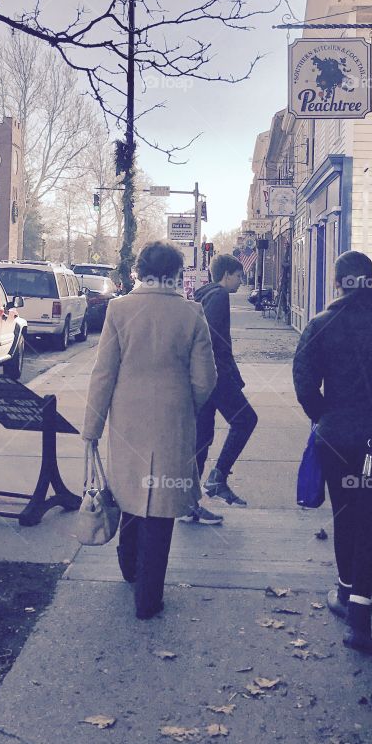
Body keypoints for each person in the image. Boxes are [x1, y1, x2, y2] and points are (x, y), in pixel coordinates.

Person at [292, 250, 372, 655]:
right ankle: (361, 617)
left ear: (337, 282)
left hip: (336, 439)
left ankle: (345, 592)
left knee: (344, 513)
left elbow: (303, 380)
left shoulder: (321, 324)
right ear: (370, 280)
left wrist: (323, 416)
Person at [81, 241, 217, 619]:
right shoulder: (191, 314)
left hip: (127, 418)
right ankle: (149, 596)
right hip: (173, 419)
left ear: (139, 271)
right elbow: (206, 378)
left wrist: (91, 426)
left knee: (131, 493)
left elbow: (103, 372)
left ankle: (128, 566)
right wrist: (187, 404)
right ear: (177, 275)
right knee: (162, 507)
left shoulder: (119, 310)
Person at [188, 253, 259, 514]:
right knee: (246, 420)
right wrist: (228, 376)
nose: (241, 281)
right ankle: (217, 479)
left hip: (204, 376)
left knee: (202, 437)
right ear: (226, 275)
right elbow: (213, 339)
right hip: (216, 376)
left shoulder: (203, 294)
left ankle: (189, 501)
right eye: (239, 276)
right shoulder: (218, 296)